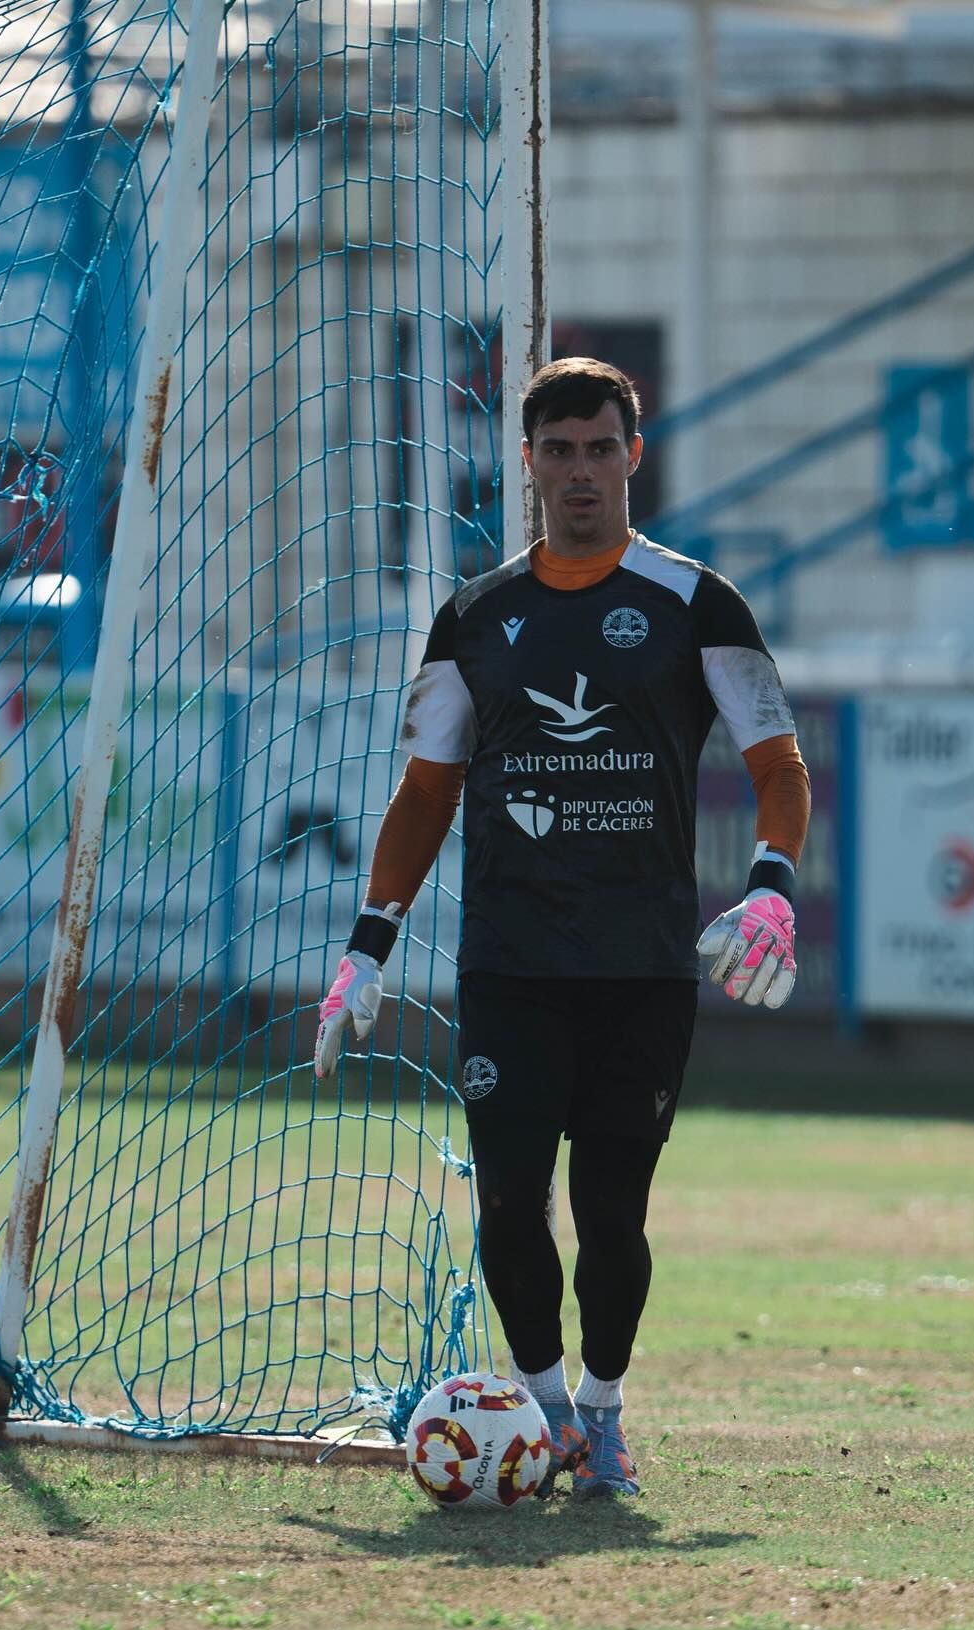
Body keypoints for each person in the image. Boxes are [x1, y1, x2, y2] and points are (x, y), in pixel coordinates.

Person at [314, 357, 810, 1499]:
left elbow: (776, 760)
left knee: (613, 1213)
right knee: (506, 1195)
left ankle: (603, 1405)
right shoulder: (475, 619)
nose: (580, 471)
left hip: (643, 965)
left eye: (600, 448)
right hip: (512, 962)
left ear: (633, 456)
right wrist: (367, 945)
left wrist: (773, 881)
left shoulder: (699, 603)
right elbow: (425, 795)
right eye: (558, 450)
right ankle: (542, 1410)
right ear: (527, 461)